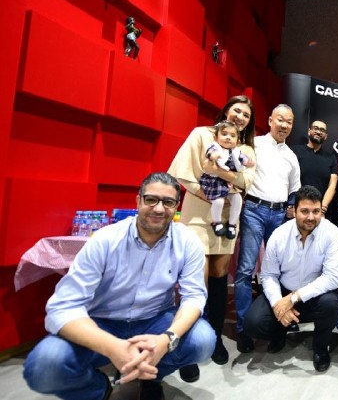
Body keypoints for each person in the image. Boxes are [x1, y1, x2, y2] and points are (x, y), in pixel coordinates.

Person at [23, 173, 216, 400]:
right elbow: (63, 307)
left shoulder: (188, 241)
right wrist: (113, 347)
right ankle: (98, 389)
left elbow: (194, 297)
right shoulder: (105, 239)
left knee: (203, 340)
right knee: (44, 366)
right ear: (138, 200)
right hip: (102, 322)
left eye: (168, 202)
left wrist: (166, 339)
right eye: (151, 199)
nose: (158, 209)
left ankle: (151, 376)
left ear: (176, 206)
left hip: (154, 320)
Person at [168, 95, 256, 366]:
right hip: (197, 213)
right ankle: (188, 340)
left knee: (220, 276)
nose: (240, 117)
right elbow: (182, 172)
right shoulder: (201, 135)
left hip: (228, 218)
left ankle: (215, 337)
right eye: (237, 111)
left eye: (246, 115)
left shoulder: (246, 148)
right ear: (226, 110)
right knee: (196, 278)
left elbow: (246, 182)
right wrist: (208, 193)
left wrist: (218, 172)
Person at [243, 185, 338, 372]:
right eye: (305, 211)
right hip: (284, 291)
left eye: (316, 211)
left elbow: (332, 278)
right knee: (253, 323)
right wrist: (278, 305)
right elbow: (269, 275)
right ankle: (279, 332)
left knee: (331, 305)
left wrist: (294, 298)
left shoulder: (331, 232)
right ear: (294, 211)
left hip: (315, 295)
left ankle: (320, 348)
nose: (311, 217)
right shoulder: (279, 235)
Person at [235, 104, 301, 353]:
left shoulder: (291, 156)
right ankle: (243, 328)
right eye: (280, 120)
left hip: (279, 215)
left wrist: (291, 209)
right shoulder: (254, 144)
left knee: (280, 271)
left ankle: (278, 324)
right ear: (270, 120)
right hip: (253, 210)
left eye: (289, 122)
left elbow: (294, 189)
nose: (284, 125)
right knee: (245, 270)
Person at [200, 120, 255, 239]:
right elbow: (209, 152)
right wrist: (213, 156)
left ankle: (232, 224)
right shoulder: (215, 147)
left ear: (237, 141)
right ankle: (216, 222)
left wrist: (248, 162)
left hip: (228, 184)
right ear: (216, 137)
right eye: (224, 134)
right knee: (218, 201)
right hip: (214, 182)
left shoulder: (236, 151)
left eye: (232, 135)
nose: (228, 137)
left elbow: (243, 158)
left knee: (238, 199)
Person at [291, 120, 338, 219]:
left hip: (321, 212)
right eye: (315, 128)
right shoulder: (294, 152)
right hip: (298, 210)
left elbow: (332, 185)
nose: (318, 132)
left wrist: (322, 208)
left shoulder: (331, 158)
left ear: (326, 136)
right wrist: (292, 204)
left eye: (322, 130)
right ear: (309, 131)